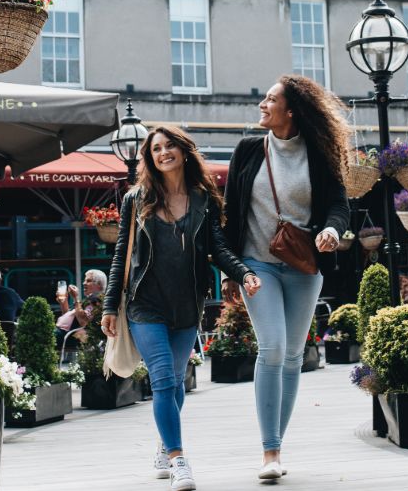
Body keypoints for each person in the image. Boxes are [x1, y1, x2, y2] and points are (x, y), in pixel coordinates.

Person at [102, 125, 262, 491]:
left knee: (175, 382)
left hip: (187, 304)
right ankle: (178, 460)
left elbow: (218, 248)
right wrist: (110, 305)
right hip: (145, 304)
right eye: (156, 149)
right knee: (161, 378)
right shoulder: (136, 199)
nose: (163, 153)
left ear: (184, 151)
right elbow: (120, 255)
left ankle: (163, 441)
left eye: (170, 146)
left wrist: (244, 272)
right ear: (149, 158)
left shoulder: (203, 198)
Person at [222, 75, 352, 481]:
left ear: (291, 110)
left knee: (294, 356)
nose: (262, 104)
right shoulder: (247, 151)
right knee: (273, 348)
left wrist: (331, 230)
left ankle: (278, 439)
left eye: (270, 99)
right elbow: (229, 214)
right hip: (256, 266)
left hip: (303, 266)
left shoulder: (318, 153)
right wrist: (230, 271)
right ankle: (269, 450)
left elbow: (338, 206)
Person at [55, 269, 106, 345]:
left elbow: (83, 321)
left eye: (88, 281)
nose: (84, 283)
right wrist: (64, 303)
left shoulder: (96, 299)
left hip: (69, 336)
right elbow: (69, 319)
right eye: (85, 281)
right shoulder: (88, 299)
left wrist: (75, 298)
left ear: (99, 284)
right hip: (63, 333)